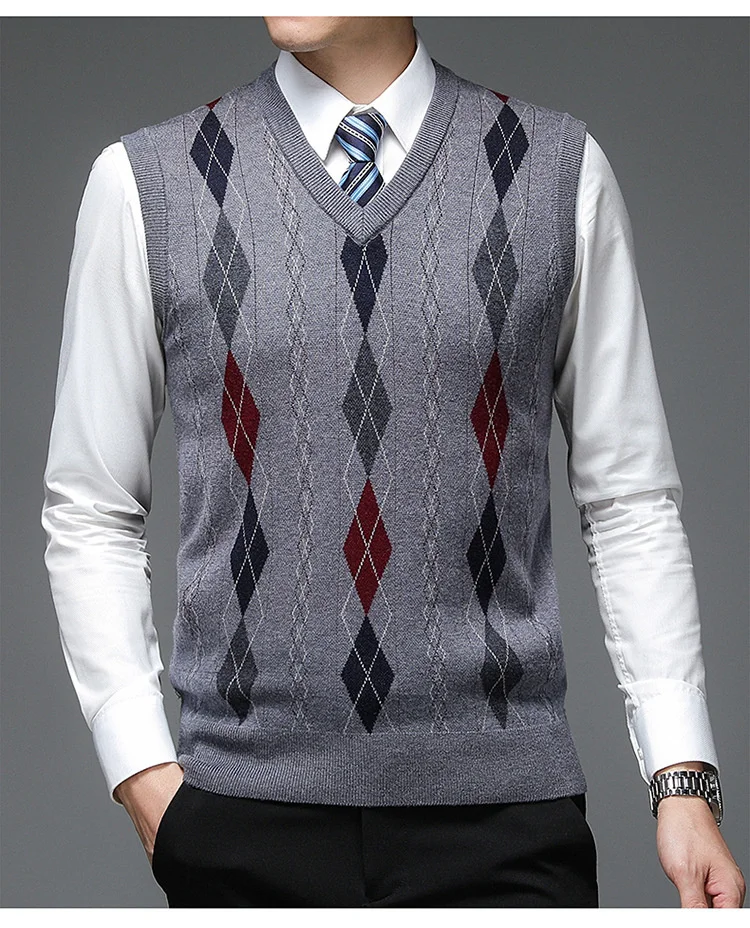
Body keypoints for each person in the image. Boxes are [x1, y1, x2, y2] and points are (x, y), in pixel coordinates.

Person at [40, 16, 745, 908]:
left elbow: (630, 498)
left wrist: (682, 776)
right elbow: (91, 507)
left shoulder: (557, 172)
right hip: (240, 819)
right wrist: (144, 777)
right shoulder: (146, 183)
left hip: (507, 823)